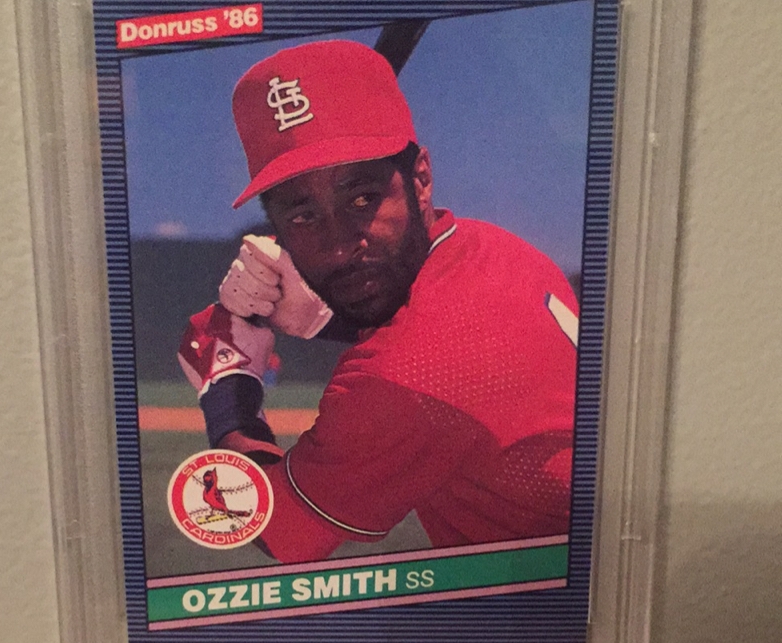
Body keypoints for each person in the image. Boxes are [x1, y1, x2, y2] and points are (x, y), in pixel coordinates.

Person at [177, 39, 578, 563]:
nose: (339, 246)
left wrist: (227, 387)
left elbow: (277, 530)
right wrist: (323, 320)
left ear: (420, 179)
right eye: (303, 216)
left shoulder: (405, 379)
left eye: (362, 199)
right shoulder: (496, 249)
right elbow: (433, 334)